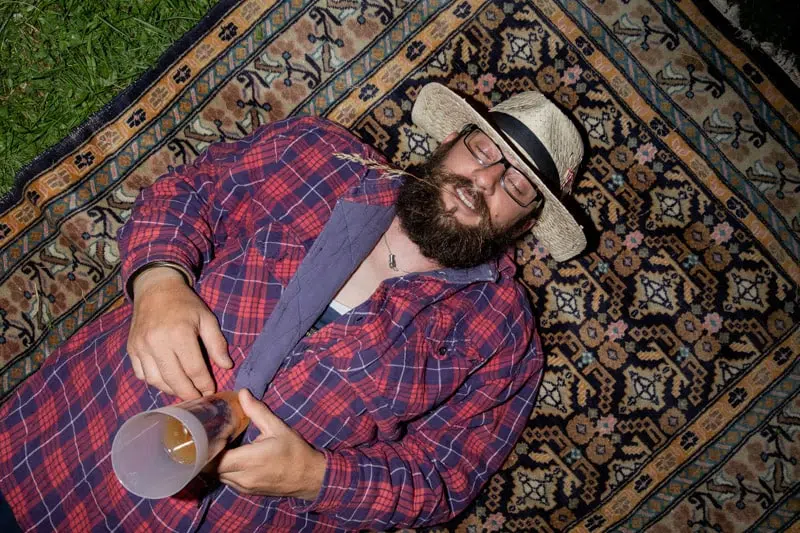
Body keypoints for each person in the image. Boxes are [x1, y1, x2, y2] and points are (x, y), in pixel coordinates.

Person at [0, 82, 585, 531]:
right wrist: (159, 281)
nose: (484, 179)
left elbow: (444, 478)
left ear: (528, 222)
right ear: (450, 142)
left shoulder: (502, 342)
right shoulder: (320, 154)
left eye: (516, 186)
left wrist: (317, 479)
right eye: (482, 149)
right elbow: (190, 193)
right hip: (65, 436)